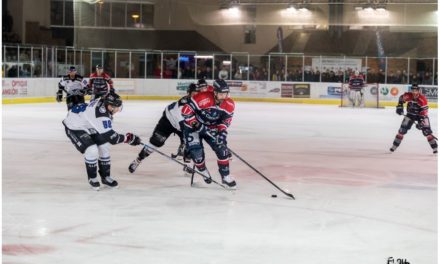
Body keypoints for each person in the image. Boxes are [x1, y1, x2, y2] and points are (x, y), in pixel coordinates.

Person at [62, 93, 141, 190]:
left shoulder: (103, 104)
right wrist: (128, 138)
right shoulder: (100, 115)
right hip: (74, 126)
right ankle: (93, 178)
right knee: (92, 150)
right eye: (116, 107)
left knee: (104, 146)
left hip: (87, 124)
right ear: (109, 106)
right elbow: (113, 138)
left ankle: (105, 177)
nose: (118, 110)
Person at [128, 83, 201, 173]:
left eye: (199, 93)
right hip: (168, 121)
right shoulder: (183, 106)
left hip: (182, 125)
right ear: (189, 93)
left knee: (191, 142)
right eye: (194, 93)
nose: (197, 95)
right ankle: (137, 160)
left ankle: (187, 165)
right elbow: (185, 126)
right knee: (155, 143)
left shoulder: (199, 103)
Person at [181, 79, 236, 188]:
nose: (224, 96)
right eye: (221, 94)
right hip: (192, 127)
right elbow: (185, 112)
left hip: (212, 127)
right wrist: (197, 125)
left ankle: (225, 177)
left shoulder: (229, 104)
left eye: (226, 94)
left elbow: (225, 121)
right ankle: (203, 170)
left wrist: (221, 133)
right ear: (215, 92)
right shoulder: (202, 98)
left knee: (222, 149)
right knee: (197, 154)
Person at [390, 83, 437, 154]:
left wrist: (421, 122)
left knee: (427, 132)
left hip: (421, 116)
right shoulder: (408, 95)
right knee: (401, 130)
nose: (414, 92)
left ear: (418, 91)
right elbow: (401, 98)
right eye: (413, 90)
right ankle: (394, 146)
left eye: (416, 90)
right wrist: (400, 106)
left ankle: (435, 148)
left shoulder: (422, 99)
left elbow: (424, 112)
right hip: (410, 115)